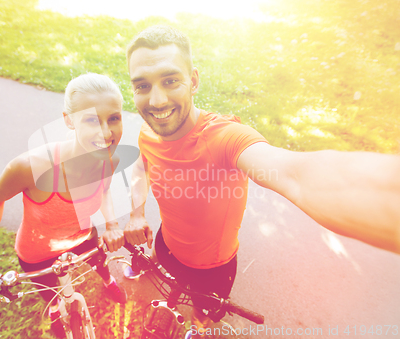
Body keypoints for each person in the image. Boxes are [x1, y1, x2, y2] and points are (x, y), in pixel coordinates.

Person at [122, 25, 400, 338]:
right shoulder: (149, 133)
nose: (156, 101)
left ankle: (197, 330)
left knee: (204, 312)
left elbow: (296, 175)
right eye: (142, 86)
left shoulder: (225, 137)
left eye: (170, 80)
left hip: (213, 269)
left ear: (194, 81)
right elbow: (142, 168)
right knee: (171, 292)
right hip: (166, 246)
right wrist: (135, 213)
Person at [0, 73, 127, 338]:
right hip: (38, 254)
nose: (106, 132)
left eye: (114, 118)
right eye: (91, 120)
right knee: (50, 295)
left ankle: (108, 281)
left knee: (101, 263)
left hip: (84, 237)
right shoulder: (32, 167)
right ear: (68, 120)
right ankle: (54, 311)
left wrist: (111, 224)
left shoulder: (111, 159)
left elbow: (104, 190)